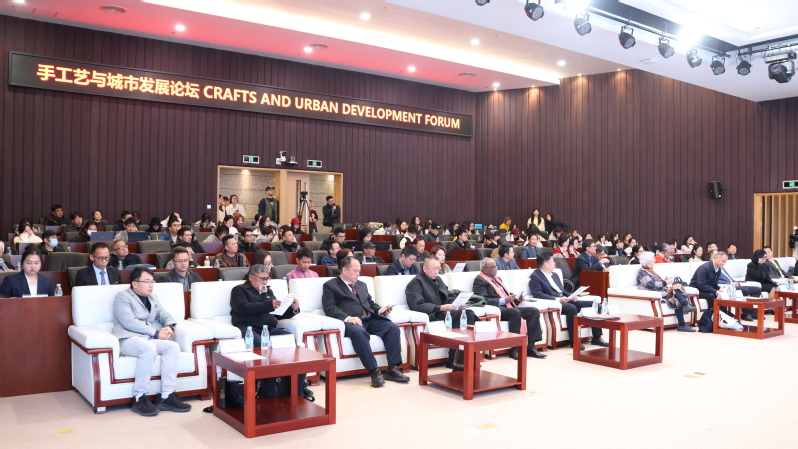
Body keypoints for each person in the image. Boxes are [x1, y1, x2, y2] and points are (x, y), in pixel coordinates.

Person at [112, 267, 190, 416]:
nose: (151, 285)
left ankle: (167, 395)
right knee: (148, 348)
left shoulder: (153, 297)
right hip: (128, 339)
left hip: (147, 339)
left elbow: (164, 315)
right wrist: (156, 333)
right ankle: (140, 397)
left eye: (152, 281)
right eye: (147, 281)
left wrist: (169, 326)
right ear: (135, 283)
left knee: (173, 346)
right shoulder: (122, 297)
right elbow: (129, 322)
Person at [321, 257, 409, 387]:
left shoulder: (361, 285)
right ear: (344, 270)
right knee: (359, 332)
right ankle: (374, 371)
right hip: (351, 322)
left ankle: (393, 368)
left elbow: (370, 303)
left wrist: (380, 310)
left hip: (369, 319)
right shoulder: (330, 285)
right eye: (355, 271)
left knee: (392, 327)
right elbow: (329, 308)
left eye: (359, 271)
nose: (358, 274)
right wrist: (348, 318)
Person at [405, 257, 477, 371]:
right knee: (465, 315)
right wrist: (440, 307)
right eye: (434, 269)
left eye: (438, 269)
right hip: (433, 314)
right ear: (425, 268)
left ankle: (464, 357)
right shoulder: (415, 283)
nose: (437, 272)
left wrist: (457, 304)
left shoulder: (438, 279)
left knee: (468, 313)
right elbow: (417, 305)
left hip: (445, 312)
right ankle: (454, 359)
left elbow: (448, 296)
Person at [528, 252, 607, 349]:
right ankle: (574, 341)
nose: (555, 264)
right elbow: (538, 294)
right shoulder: (535, 277)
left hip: (565, 299)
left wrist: (571, 296)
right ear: (545, 264)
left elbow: (562, 290)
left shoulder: (554, 274)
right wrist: (559, 299)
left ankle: (597, 337)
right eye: (552, 262)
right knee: (571, 308)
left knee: (594, 305)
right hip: (555, 302)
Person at [472, 258, 546, 359]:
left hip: (508, 306)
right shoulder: (479, 280)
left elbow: (505, 294)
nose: (496, 269)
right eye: (493, 267)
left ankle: (531, 347)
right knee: (514, 312)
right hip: (497, 308)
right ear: (484, 269)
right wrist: (503, 300)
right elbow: (482, 299)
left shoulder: (497, 279)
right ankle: (514, 349)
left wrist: (516, 298)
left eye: (496, 266)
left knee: (533, 311)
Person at [231, 263, 300, 347]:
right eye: (262, 278)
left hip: (268, 329)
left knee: (289, 339)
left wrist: (293, 309)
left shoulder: (268, 291)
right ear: (251, 277)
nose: (264, 282)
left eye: (267, 279)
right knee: (258, 343)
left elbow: (277, 313)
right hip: (249, 328)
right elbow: (242, 308)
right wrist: (268, 305)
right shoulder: (240, 289)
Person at [636, 252, 697, 332]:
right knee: (676, 289)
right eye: (653, 259)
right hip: (654, 293)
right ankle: (686, 306)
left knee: (677, 292)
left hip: (661, 291)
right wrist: (666, 282)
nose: (654, 260)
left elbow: (657, 282)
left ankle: (682, 323)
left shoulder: (650, 270)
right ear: (647, 261)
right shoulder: (642, 272)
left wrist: (665, 280)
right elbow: (651, 285)